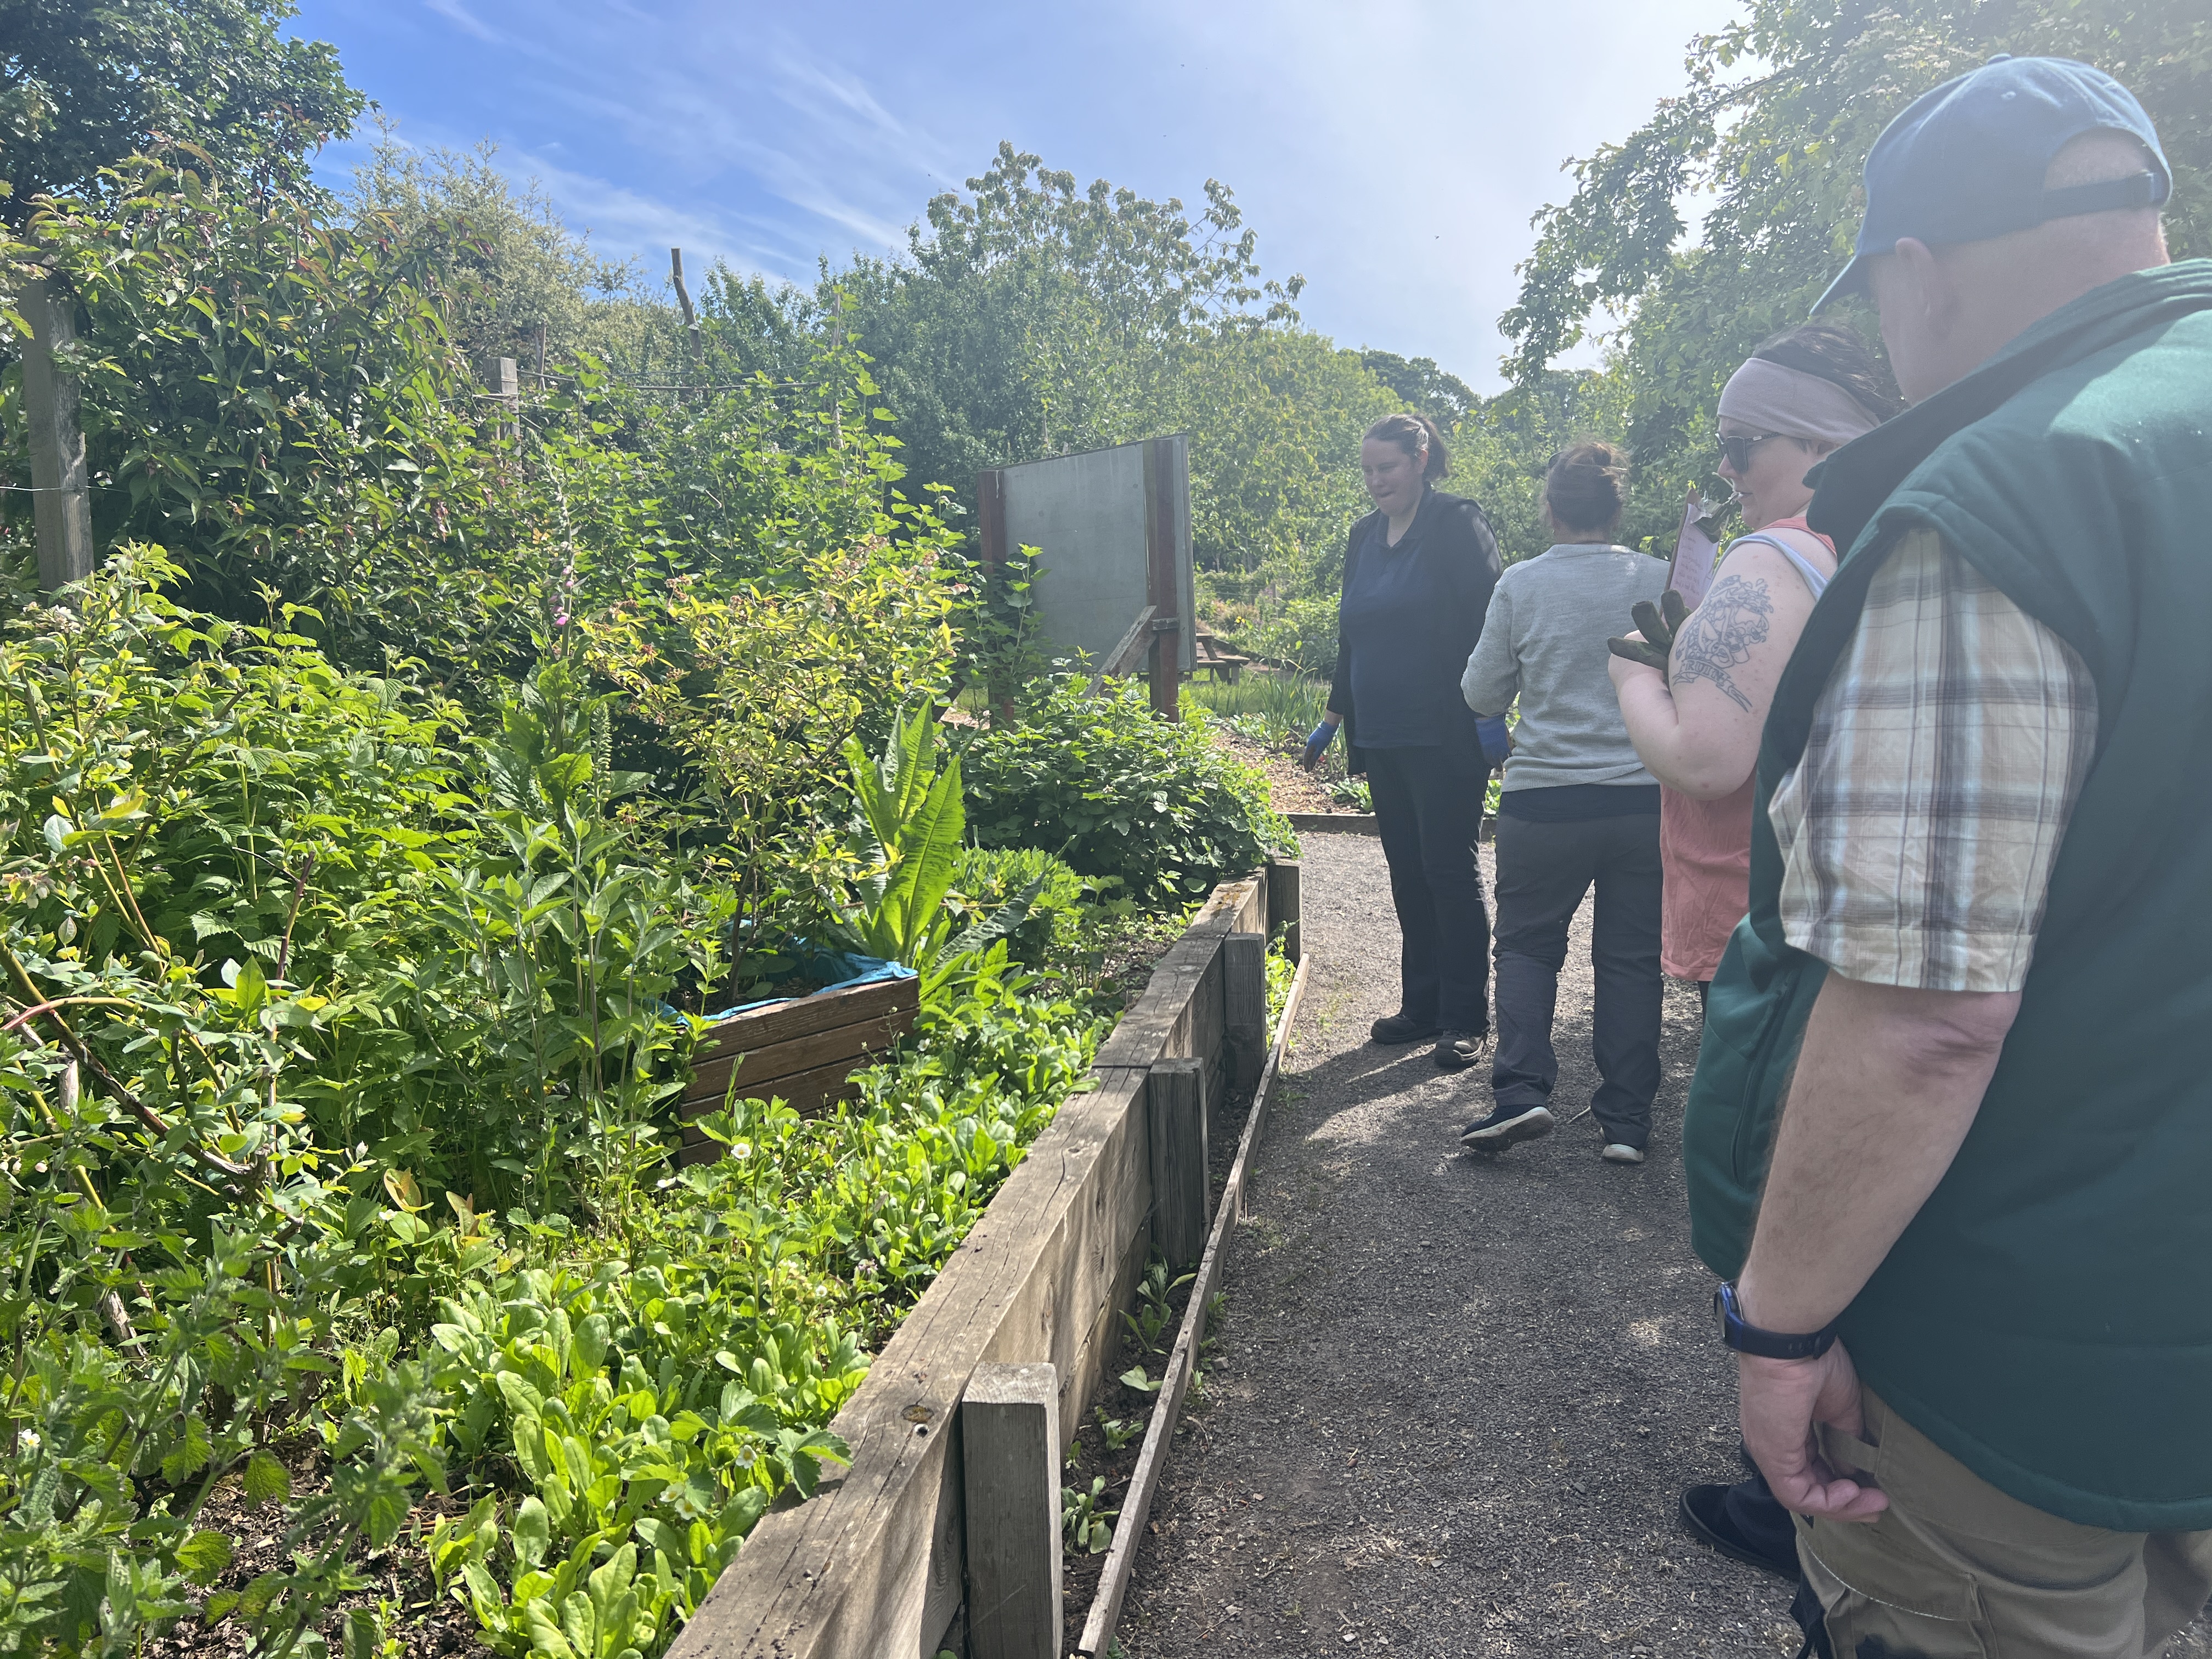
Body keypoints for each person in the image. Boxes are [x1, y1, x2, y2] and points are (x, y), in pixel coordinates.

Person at [1683, 56, 2212, 1657]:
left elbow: (1925, 1011)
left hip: (2018, 1360)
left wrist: (1779, 1328)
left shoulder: (2019, 496)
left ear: (1913, 270)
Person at [1606, 326, 1895, 1579]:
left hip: (1765, 925)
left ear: (1816, 444)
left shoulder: (1774, 553)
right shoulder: (1889, 547)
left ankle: (1794, 1493)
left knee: (1777, 1202)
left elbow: (1707, 759)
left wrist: (1634, 675)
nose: (1726, 476)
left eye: (1742, 447)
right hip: (1872, 919)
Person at [1457, 442, 1667, 1163]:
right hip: (1644, 801)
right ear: (1617, 507)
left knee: (1527, 947)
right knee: (1633, 960)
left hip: (1545, 800)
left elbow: (1481, 692)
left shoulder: (1521, 583)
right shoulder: (1661, 577)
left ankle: (1520, 1094)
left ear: (1549, 510)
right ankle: (1628, 1124)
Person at [1301, 412, 1504, 1071]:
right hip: (1381, 733)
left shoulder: (1456, 524)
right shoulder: (1364, 536)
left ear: (1420, 458)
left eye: (1385, 467)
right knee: (1406, 871)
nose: (1375, 481)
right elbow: (1350, 636)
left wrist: (1489, 712)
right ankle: (1421, 1006)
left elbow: (1490, 624)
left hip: (1447, 730)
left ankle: (1467, 1017)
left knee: (1448, 868)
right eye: (1366, 470)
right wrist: (1334, 719)